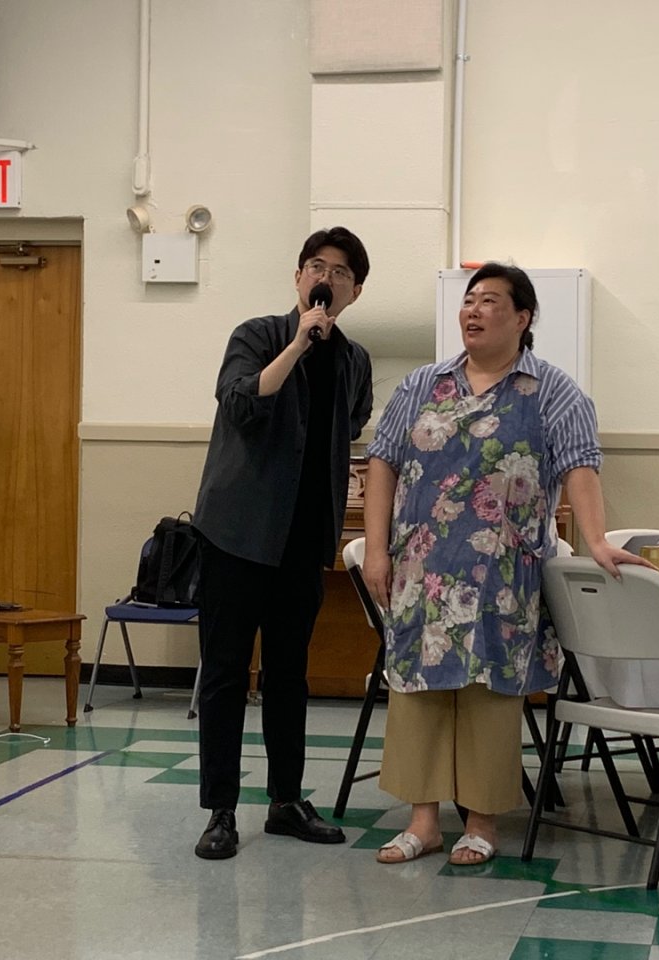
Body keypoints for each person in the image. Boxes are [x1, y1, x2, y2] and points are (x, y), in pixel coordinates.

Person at [362, 262, 649, 865]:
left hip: (501, 576)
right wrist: (378, 548)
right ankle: (423, 823)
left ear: (522, 318)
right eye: (469, 300)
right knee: (417, 692)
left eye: (489, 300)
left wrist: (596, 540)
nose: (473, 310)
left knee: (491, 693)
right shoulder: (422, 385)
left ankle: (482, 823)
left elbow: (580, 466)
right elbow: (383, 460)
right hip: (422, 569)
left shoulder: (553, 391)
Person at [191, 227, 374, 860]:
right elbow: (241, 404)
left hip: (303, 538)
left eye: (341, 273)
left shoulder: (354, 361)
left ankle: (286, 801)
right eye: (317, 267)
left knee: (289, 673)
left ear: (354, 292)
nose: (327, 279)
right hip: (237, 533)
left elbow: (352, 423)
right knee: (224, 672)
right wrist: (299, 343)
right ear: (299, 278)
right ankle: (220, 810)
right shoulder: (257, 336)